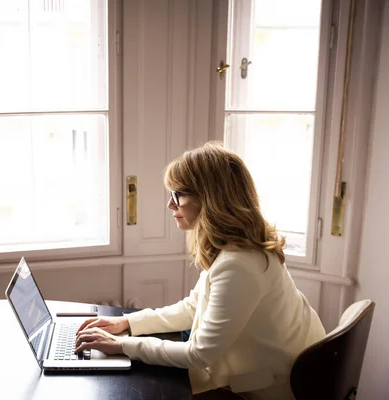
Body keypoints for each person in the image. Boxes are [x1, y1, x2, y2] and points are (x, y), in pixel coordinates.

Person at [75, 142, 325, 399]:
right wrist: (127, 322)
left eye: (178, 195)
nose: (171, 205)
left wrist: (122, 345)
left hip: (267, 388)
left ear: (210, 199)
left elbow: (199, 354)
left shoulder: (239, 265)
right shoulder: (235, 245)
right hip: (275, 371)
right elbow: (194, 307)